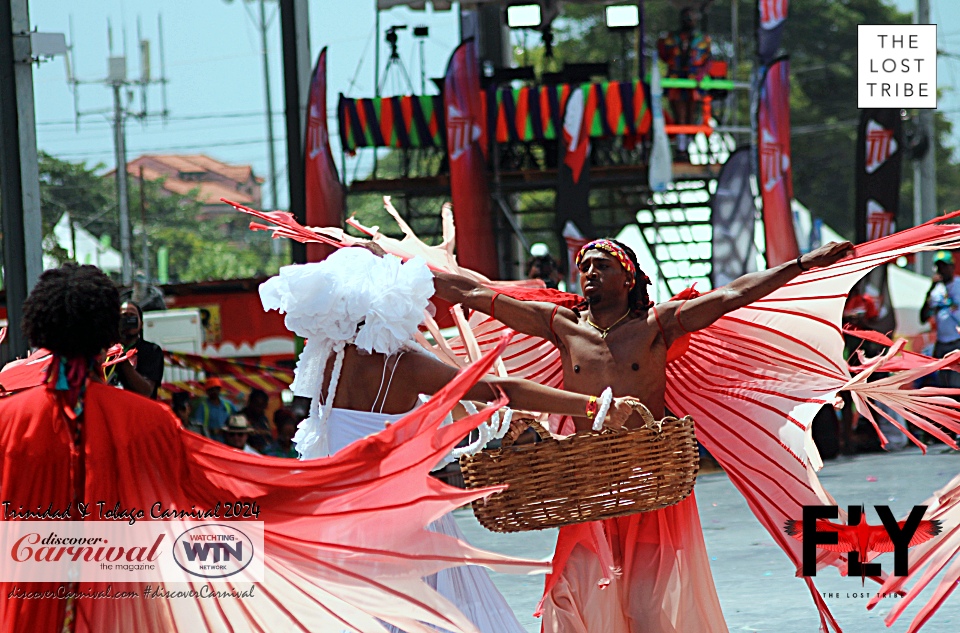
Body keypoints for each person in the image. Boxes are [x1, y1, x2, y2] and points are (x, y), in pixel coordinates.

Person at [0, 262, 558, 633]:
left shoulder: (6, 417)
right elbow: (214, 486)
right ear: (109, 337)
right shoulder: (144, 419)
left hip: (24, 585)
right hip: (117, 593)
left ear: (38, 327)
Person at [433, 237, 854, 633]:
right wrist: (409, 275)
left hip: (650, 481)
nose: (589, 273)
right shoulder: (562, 325)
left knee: (648, 605)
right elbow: (475, 295)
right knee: (572, 594)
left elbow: (732, 295)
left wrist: (801, 265)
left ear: (628, 278)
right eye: (584, 267)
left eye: (601, 265)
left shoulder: (657, 324)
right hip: (589, 484)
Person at [261, 246, 642, 633]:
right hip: (405, 518)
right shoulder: (403, 365)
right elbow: (500, 388)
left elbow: (367, 432)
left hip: (344, 519)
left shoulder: (327, 363)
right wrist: (594, 405)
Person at [657, 6, 712, 159]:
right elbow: (664, 54)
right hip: (676, 80)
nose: (689, 21)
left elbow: (708, 60)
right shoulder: (671, 38)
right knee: (679, 115)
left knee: (691, 115)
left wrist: (700, 75)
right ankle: (680, 149)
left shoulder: (702, 38)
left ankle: (687, 147)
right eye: (686, 17)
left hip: (693, 82)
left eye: (692, 17)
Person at [107, 300, 164, 398]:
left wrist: (123, 360)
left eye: (132, 316)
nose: (128, 320)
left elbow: (146, 391)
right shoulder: (108, 349)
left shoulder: (152, 350)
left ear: (141, 323)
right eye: (124, 316)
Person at [921, 250, 960, 390]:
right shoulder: (935, 290)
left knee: (956, 385)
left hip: (957, 342)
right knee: (944, 387)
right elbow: (923, 317)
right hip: (941, 344)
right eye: (938, 266)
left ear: (952, 267)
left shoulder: (958, 285)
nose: (941, 270)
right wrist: (929, 290)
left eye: (944, 266)